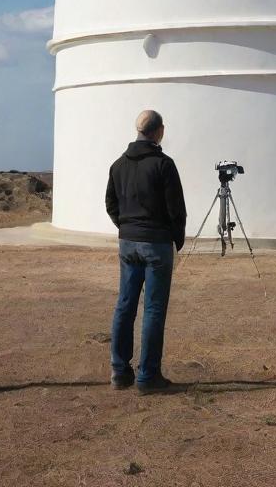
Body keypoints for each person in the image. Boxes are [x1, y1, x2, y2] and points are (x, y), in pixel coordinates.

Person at [105, 109, 187, 393]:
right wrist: (176, 238)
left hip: (128, 242)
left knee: (125, 305)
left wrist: (125, 226)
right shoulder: (163, 165)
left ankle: (119, 371)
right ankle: (148, 376)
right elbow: (176, 208)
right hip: (156, 243)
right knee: (153, 309)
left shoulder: (118, 165)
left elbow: (111, 203)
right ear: (159, 131)